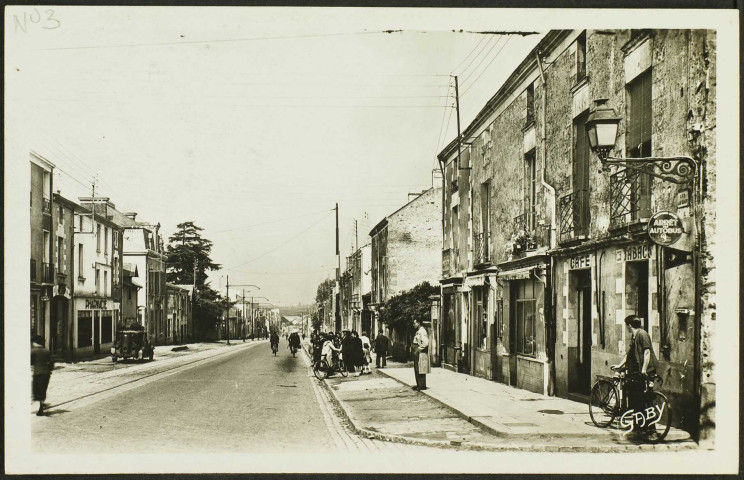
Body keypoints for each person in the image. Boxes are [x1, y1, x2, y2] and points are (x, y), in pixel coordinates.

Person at [611, 315, 660, 429]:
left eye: (626, 325)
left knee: (647, 398)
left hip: (648, 370)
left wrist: (643, 369)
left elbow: (647, 352)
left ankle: (650, 426)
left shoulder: (642, 334)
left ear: (629, 325)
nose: (626, 328)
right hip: (641, 370)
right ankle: (640, 424)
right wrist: (619, 365)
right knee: (637, 397)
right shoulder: (634, 336)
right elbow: (629, 354)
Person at [31, 335, 53, 416]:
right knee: (43, 390)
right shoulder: (47, 351)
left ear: (35, 343)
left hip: (38, 373)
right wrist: (49, 370)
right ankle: (41, 405)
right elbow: (51, 363)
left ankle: (40, 407)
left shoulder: (33, 351)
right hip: (46, 374)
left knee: (36, 390)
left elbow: (31, 362)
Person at [411, 320, 430, 390]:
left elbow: (425, 343)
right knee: (416, 368)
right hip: (416, 351)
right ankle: (419, 384)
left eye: (414, 323)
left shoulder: (422, 331)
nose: (413, 325)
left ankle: (422, 385)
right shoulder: (418, 331)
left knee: (420, 368)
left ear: (418, 323)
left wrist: (418, 349)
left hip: (420, 352)